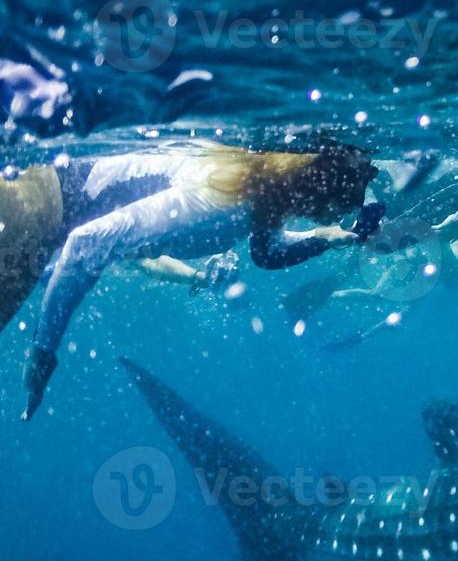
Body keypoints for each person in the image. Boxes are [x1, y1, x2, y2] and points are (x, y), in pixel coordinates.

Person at [12, 140, 385, 420]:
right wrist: (43, 354)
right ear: (321, 189)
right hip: (40, 205)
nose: (343, 213)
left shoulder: (259, 192)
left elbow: (267, 252)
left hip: (45, 209)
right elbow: (86, 244)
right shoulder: (228, 207)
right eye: (346, 203)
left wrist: (324, 239)